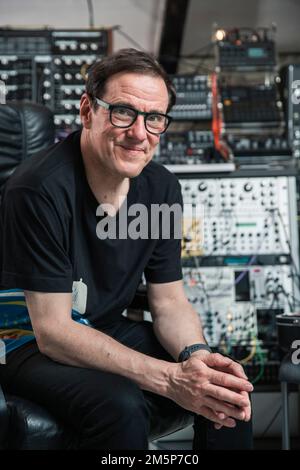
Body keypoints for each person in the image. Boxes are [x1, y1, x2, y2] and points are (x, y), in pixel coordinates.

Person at [0, 48, 253, 450]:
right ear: (87, 111)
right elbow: (54, 333)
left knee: (225, 387)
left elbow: (169, 301)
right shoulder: (38, 189)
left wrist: (196, 355)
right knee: (120, 406)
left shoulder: (161, 189)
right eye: (123, 112)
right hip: (23, 338)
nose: (140, 133)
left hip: (99, 324)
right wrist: (170, 378)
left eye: (154, 118)